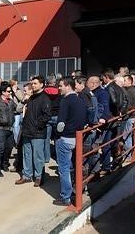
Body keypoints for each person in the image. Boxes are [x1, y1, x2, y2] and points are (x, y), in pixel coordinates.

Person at [53, 78, 87, 206]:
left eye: (61, 85)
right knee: (75, 166)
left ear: (68, 86)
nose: (59, 88)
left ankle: (65, 196)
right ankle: (76, 189)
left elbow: (60, 123)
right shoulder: (80, 100)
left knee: (64, 168)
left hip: (65, 138)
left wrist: (58, 132)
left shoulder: (65, 101)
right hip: (77, 138)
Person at [16, 76, 51, 186]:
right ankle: (27, 175)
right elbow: (20, 110)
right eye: (32, 83)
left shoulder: (45, 98)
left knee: (38, 156)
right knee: (27, 155)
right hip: (27, 131)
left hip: (37, 132)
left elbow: (47, 115)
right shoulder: (30, 98)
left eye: (35, 83)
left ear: (41, 84)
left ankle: (39, 176)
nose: (33, 85)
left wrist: (37, 125)